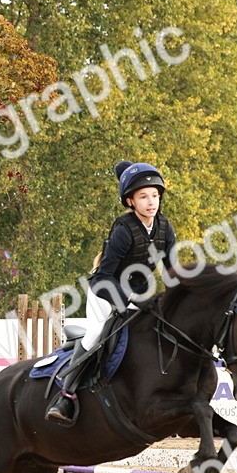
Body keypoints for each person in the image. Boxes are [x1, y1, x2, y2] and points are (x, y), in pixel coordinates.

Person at [46, 161, 177, 425]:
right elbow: (103, 276)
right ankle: (66, 396)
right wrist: (126, 301)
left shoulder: (165, 228)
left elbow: (172, 272)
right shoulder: (123, 231)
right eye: (143, 197)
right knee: (96, 335)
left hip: (140, 296)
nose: (151, 201)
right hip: (106, 292)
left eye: (155, 195)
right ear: (130, 202)